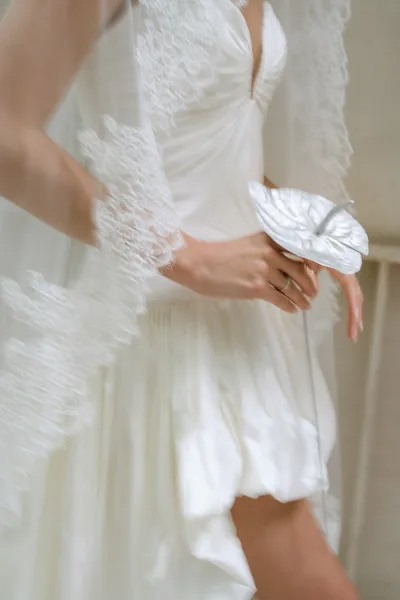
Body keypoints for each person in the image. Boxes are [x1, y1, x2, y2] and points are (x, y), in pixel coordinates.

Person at [0, 1, 363, 599]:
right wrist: (189, 257)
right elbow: (7, 135)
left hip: (244, 335)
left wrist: (306, 229)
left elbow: (208, 145)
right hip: (152, 341)